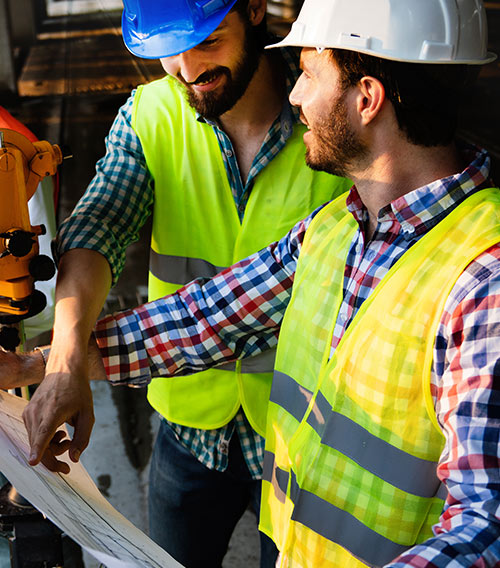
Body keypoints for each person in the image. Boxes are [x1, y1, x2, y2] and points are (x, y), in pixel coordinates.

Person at [6, 0, 500, 565]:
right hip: (277, 505)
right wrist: (41, 364)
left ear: (367, 99)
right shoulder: (341, 225)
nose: (295, 94)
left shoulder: (482, 276)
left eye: (309, 73)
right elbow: (207, 318)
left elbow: (486, 527)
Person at [15, 1, 349, 567]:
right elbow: (99, 227)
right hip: (189, 429)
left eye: (209, 40)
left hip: (306, 439)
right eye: (167, 47)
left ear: (254, 9)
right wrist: (64, 360)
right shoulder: (150, 114)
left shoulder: (329, 117)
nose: (187, 67)